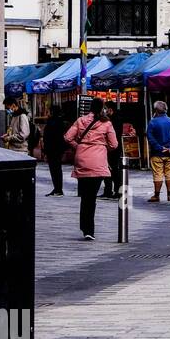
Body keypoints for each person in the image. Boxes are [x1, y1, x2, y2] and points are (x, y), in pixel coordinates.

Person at [63, 98, 118, 242]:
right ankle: (90, 230)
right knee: (92, 197)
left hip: (82, 160)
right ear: (102, 108)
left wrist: (78, 146)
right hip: (98, 162)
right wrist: (101, 146)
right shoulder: (106, 123)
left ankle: (84, 227)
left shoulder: (81, 120)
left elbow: (68, 137)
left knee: (85, 196)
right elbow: (114, 144)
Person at [146, 100, 170, 202]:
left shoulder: (152, 122)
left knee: (158, 174)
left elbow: (150, 137)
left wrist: (159, 147)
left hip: (157, 153)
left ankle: (156, 195)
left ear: (156, 110)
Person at [100, 101, 124, 198]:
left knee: (113, 169)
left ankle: (116, 190)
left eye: (105, 108)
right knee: (109, 168)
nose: (104, 110)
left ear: (110, 109)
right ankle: (109, 190)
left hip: (113, 147)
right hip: (112, 147)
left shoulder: (113, 120)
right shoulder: (112, 119)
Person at [43, 104, 68, 196]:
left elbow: (49, 137)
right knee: (56, 169)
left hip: (53, 149)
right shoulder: (60, 122)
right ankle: (57, 188)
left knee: (55, 169)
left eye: (49, 111)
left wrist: (45, 151)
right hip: (57, 149)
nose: (47, 113)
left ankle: (58, 189)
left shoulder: (53, 122)